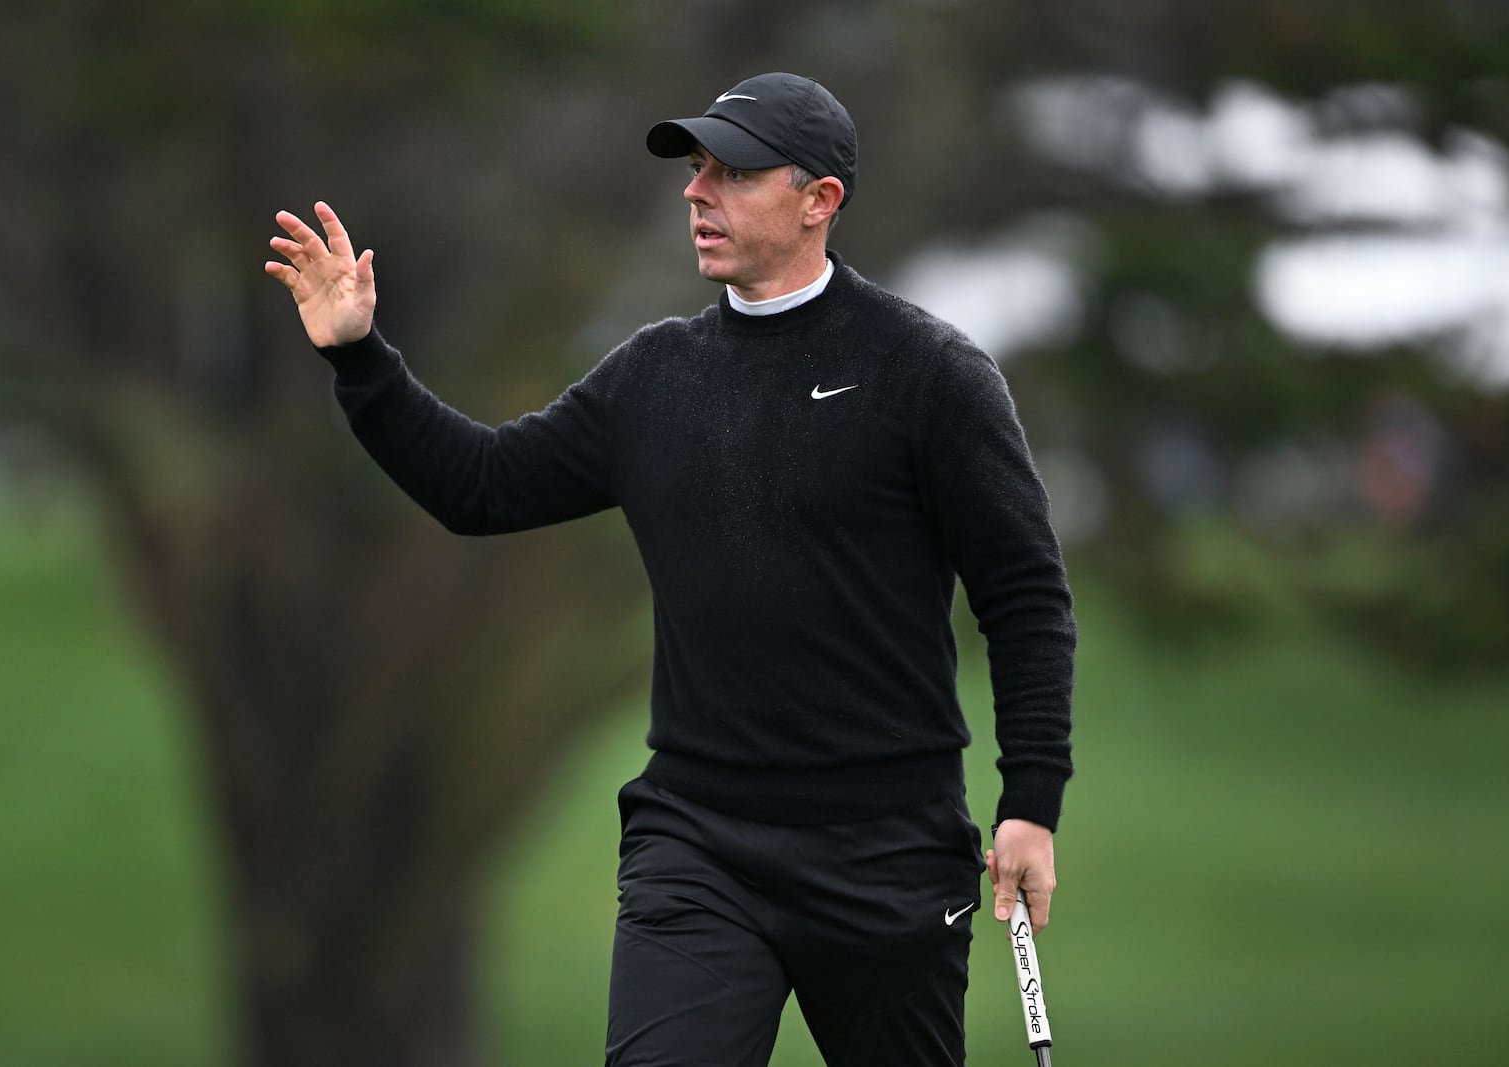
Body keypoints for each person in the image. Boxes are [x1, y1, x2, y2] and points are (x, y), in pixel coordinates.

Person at [266, 71, 1075, 1067]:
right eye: (695, 171)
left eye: (731, 173)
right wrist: (361, 360)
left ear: (818, 199)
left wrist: (1030, 799)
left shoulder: (929, 375)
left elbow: (1024, 596)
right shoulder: (653, 378)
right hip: (699, 845)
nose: (696, 194)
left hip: (885, 853)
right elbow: (479, 487)